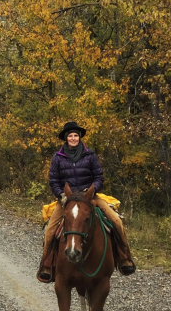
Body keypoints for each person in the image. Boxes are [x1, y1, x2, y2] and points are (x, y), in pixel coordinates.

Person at [36, 121, 136, 283]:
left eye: (76, 135)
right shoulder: (57, 157)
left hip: (89, 196)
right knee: (50, 231)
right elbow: (53, 180)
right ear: (66, 138)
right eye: (70, 136)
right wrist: (61, 195)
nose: (73, 138)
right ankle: (47, 264)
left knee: (116, 220)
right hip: (67, 200)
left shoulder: (90, 155)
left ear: (80, 137)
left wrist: (91, 191)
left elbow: (99, 177)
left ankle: (125, 257)